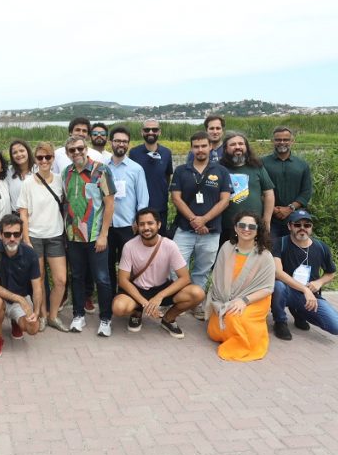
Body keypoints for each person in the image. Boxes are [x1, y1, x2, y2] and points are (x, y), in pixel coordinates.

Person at [111, 208, 204, 337]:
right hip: (138, 289)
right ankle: (137, 312)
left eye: (150, 223)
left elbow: (185, 278)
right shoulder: (129, 246)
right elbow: (123, 280)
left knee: (197, 293)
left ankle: (168, 319)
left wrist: (159, 297)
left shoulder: (169, 245)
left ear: (158, 225)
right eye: (142, 224)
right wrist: (145, 303)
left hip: (161, 289)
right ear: (137, 227)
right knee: (118, 307)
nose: (146, 227)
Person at [170, 132, 232, 320]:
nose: (200, 149)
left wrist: (204, 220)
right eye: (196, 146)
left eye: (203, 146)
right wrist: (194, 221)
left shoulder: (221, 171)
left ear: (210, 147)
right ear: (191, 148)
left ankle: (195, 304)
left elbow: (225, 201)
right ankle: (179, 301)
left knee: (202, 270)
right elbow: (176, 198)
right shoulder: (181, 170)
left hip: (211, 231)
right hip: (184, 230)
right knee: (175, 268)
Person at [62, 135, 116, 336]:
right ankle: (78, 315)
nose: (76, 153)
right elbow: (66, 203)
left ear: (86, 149)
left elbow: (110, 204)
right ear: (67, 154)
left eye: (79, 148)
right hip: (73, 236)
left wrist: (104, 234)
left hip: (95, 236)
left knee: (102, 278)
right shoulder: (66, 173)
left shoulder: (101, 170)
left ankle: (105, 319)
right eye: (72, 150)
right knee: (76, 276)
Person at [205, 211, 276, 362]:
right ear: (236, 229)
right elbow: (217, 278)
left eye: (251, 226)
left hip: (254, 300)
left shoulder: (265, 256)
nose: (246, 229)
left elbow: (268, 288)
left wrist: (243, 300)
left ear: (257, 231)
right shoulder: (226, 247)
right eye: (242, 225)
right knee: (215, 330)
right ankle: (231, 331)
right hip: (225, 298)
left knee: (235, 317)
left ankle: (244, 342)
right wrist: (223, 302)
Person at [17, 142, 69, 332]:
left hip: (55, 235)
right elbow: (23, 213)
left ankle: (54, 315)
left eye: (48, 157)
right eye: (40, 157)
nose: (44, 161)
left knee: (60, 280)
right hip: (34, 237)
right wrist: (26, 240)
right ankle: (43, 315)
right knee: (38, 280)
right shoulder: (28, 183)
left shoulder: (59, 179)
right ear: (35, 159)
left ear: (53, 158)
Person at [271, 210, 338, 340]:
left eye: (307, 225)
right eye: (297, 225)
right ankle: (280, 321)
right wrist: (304, 289)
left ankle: (300, 312)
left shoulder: (321, 247)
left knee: (337, 327)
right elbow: (278, 272)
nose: (302, 228)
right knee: (278, 286)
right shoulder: (280, 243)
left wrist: (319, 282)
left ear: (311, 228)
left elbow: (331, 273)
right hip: (288, 291)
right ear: (289, 226)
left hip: (310, 296)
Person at [0, 214, 43, 359]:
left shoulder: (30, 254)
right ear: (0, 234)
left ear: (21, 235)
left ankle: (17, 323)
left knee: (33, 328)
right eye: (7, 234)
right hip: (1, 298)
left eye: (16, 234)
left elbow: (37, 287)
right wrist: (20, 300)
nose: (12, 238)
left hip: (21, 298)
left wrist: (36, 311)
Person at [106, 127, 149, 293]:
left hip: (128, 226)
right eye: (117, 140)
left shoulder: (136, 169)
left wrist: (139, 223)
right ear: (111, 142)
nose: (120, 144)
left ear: (128, 144)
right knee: (107, 265)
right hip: (106, 226)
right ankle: (109, 300)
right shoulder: (102, 167)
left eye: (124, 141)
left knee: (129, 267)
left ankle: (128, 298)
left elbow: (143, 199)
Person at [221, 132, 275, 242]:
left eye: (241, 144)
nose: (237, 147)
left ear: (246, 147)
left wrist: (266, 221)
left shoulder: (257, 167)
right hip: (226, 226)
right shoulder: (219, 168)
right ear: (225, 149)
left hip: (253, 226)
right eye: (233, 144)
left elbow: (269, 194)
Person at [262, 127, 313, 239]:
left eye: (286, 140)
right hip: (269, 218)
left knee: (295, 250)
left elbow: (306, 191)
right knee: (270, 250)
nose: (282, 142)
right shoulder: (262, 163)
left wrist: (289, 208)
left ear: (292, 141)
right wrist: (273, 209)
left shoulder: (302, 165)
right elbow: (257, 189)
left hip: (295, 219)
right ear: (273, 141)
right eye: (278, 140)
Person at [128, 118, 174, 234]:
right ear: (142, 132)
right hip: (138, 208)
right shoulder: (134, 153)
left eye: (154, 129)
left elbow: (167, 177)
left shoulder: (166, 153)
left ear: (159, 132)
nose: (151, 132)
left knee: (160, 241)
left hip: (160, 206)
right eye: (147, 129)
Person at [5, 139, 33, 213]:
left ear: (28, 151)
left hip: (35, 216)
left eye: (21, 150)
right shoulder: (8, 172)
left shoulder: (38, 169)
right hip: (16, 218)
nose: (19, 154)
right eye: (15, 152)